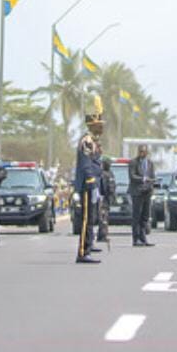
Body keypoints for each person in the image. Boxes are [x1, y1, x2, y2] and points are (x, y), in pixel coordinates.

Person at [74, 97, 104, 264]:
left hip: (93, 185)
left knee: (91, 219)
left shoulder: (93, 141)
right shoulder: (86, 141)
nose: (102, 127)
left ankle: (88, 247)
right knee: (86, 220)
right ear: (93, 126)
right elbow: (86, 165)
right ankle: (82, 252)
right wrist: (92, 182)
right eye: (99, 125)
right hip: (87, 185)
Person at [129, 145, 156, 247]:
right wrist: (143, 179)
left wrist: (152, 184)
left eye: (143, 151)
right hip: (137, 192)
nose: (142, 153)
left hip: (147, 192)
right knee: (137, 216)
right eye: (140, 151)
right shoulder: (133, 162)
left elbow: (152, 176)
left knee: (145, 217)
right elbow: (132, 176)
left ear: (147, 152)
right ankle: (136, 239)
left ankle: (143, 238)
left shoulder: (150, 163)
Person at [97, 158, 115, 243]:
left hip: (108, 198)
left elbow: (112, 186)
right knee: (103, 217)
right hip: (104, 198)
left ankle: (103, 234)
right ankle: (102, 235)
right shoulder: (102, 174)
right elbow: (103, 187)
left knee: (105, 217)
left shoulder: (110, 173)